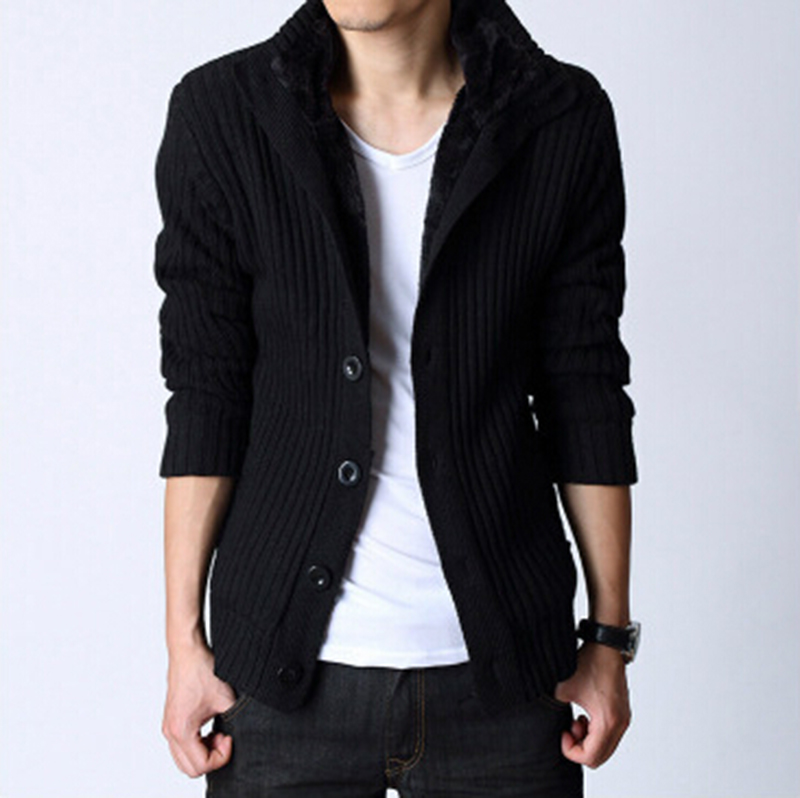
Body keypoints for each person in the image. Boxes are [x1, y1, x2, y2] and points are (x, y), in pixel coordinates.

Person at [154, 0, 640, 795]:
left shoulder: (559, 117)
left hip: (507, 678)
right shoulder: (223, 114)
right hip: (278, 677)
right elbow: (207, 391)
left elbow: (584, 387)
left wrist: (609, 639)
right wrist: (184, 642)